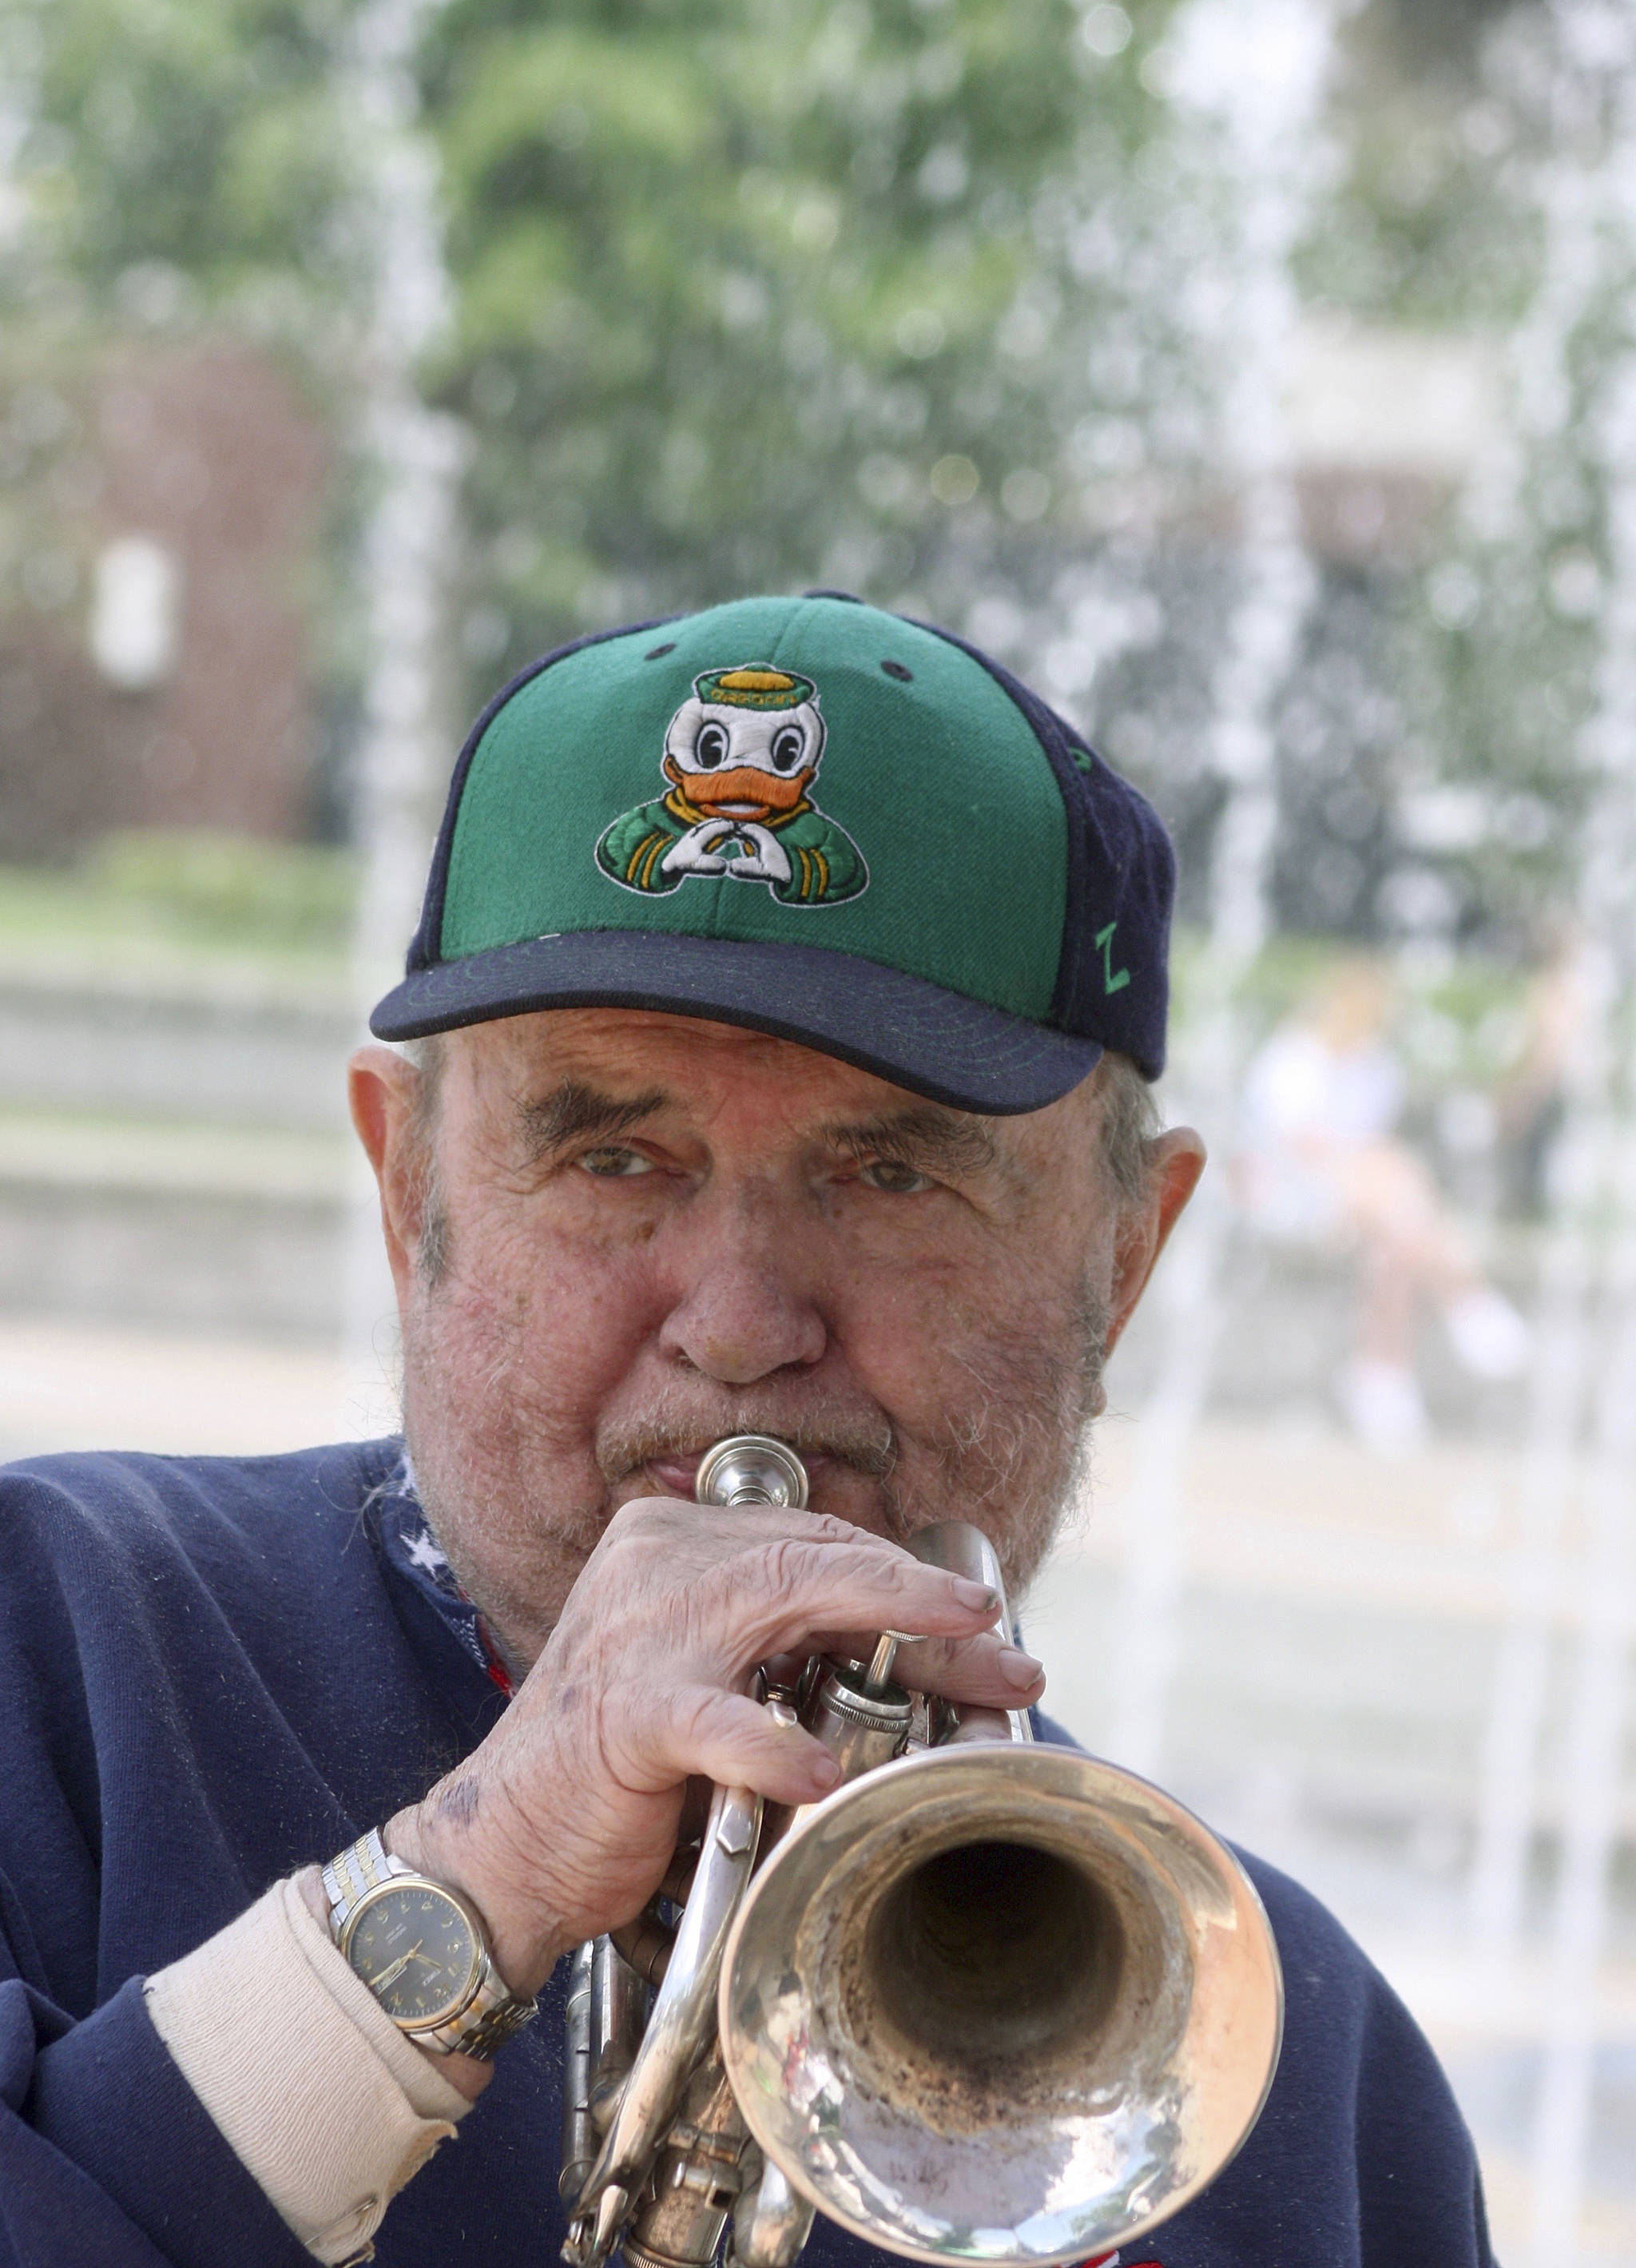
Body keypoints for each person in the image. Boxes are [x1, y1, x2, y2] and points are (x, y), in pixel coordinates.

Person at [0, 594, 1491, 2267]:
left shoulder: (1281, 2063)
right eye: (609, 1156)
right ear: (408, 1186)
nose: (737, 1321)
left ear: (1122, 1257)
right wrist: (468, 1888)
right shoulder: (45, 1644)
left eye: (890, 1173)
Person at [1236, 957, 1529, 1449]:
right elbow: (1289, 1145)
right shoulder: (1293, 1057)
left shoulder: (1376, 1066)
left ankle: (1381, 1376)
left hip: (1356, 1201)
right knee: (1396, 1180)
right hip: (1287, 1196)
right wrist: (1360, 1165)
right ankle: (1462, 1298)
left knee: (1395, 1238)